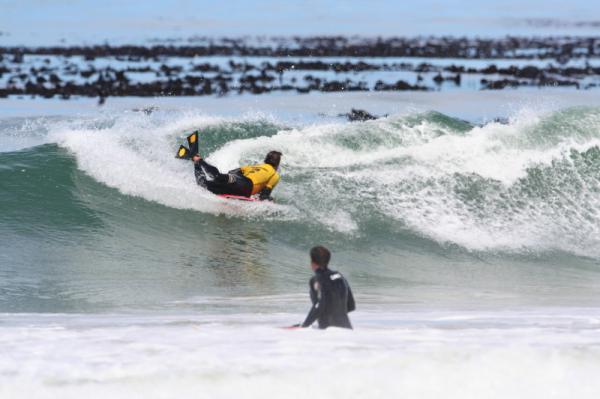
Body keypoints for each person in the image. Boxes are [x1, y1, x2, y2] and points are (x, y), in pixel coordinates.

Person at [299, 246, 355, 329]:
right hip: (347, 329)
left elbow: (319, 305)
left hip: (328, 332)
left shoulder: (316, 279)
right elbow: (351, 305)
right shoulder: (340, 276)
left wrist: (304, 326)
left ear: (313, 263)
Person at [191, 151, 282, 201]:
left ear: (265, 160)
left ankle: (196, 162)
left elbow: (232, 172)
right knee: (209, 181)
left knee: (205, 182)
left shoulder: (254, 166)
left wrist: (226, 181)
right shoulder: (274, 174)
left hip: (237, 181)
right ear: (277, 164)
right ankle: (198, 161)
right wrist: (270, 200)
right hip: (245, 187)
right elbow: (264, 195)